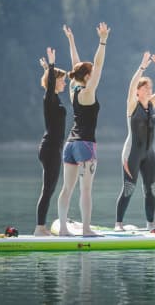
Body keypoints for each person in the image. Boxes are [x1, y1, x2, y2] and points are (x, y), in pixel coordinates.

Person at [57, 23, 110, 237]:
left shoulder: (73, 87)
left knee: (67, 189)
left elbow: (75, 64)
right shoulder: (88, 91)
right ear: (87, 76)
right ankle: (86, 229)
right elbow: (98, 65)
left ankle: (62, 229)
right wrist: (103, 41)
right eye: (91, 72)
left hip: (69, 144)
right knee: (85, 190)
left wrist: (71, 40)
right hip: (86, 145)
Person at [115, 52, 155, 233]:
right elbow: (132, 86)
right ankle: (118, 224)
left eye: (149, 87)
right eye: (145, 87)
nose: (149, 90)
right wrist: (142, 67)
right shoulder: (132, 105)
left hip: (149, 154)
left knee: (150, 190)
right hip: (131, 153)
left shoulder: (152, 103)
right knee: (128, 189)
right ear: (138, 92)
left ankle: (150, 225)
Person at [35, 47, 67, 236]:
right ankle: (39, 229)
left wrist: (47, 68)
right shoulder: (49, 98)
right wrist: (52, 64)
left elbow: (50, 82)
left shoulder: (53, 98)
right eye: (62, 80)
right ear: (54, 82)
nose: (64, 82)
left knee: (49, 189)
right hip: (50, 149)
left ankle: (41, 227)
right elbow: (50, 84)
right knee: (48, 190)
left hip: (53, 149)